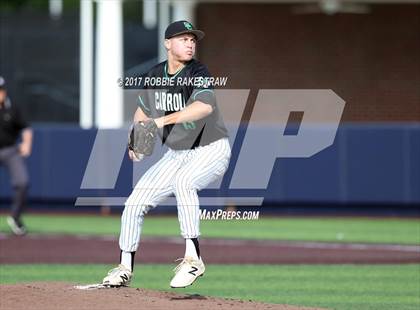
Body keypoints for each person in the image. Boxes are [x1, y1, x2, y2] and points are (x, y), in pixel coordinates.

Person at [102, 20, 231, 288]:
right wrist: (135, 139)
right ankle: (124, 268)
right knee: (134, 203)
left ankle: (193, 260)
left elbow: (203, 107)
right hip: (176, 154)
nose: (190, 43)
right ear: (167, 43)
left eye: (193, 39)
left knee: (184, 182)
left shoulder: (199, 72)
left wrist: (161, 122)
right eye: (184, 39)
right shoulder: (154, 75)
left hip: (211, 148)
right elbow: (142, 113)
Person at [0, 76, 33, 235]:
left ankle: (15, 217)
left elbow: (25, 128)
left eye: (1, 90)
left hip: (9, 150)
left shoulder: (12, 109)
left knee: (22, 182)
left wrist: (26, 143)